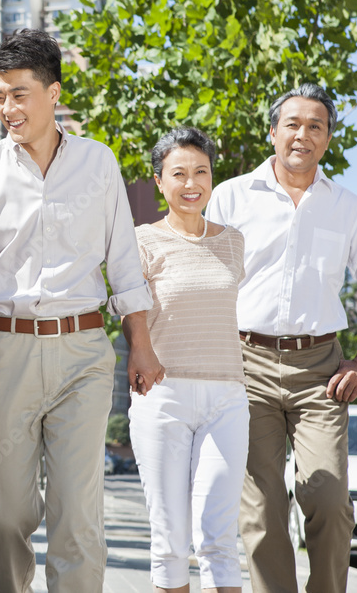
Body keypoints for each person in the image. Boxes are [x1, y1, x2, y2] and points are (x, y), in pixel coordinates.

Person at [0, 28, 163, 592]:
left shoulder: (98, 164)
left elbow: (123, 262)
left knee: (77, 512)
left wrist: (140, 343)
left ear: (54, 93)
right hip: (9, 348)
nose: (7, 108)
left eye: (19, 94)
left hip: (84, 353)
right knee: (4, 512)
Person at [207, 83, 357, 593]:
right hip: (243, 363)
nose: (302, 134)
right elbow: (201, 279)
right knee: (260, 508)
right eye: (292, 124)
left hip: (321, 370)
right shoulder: (229, 197)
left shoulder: (348, 208)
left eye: (315, 126)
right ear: (272, 132)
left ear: (327, 140)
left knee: (329, 498)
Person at [124, 127, 248, 593]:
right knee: (171, 541)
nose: (191, 183)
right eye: (179, 173)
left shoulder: (234, 242)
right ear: (159, 181)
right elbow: (132, 318)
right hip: (163, 396)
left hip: (228, 398)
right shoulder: (140, 241)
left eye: (201, 171)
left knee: (219, 537)